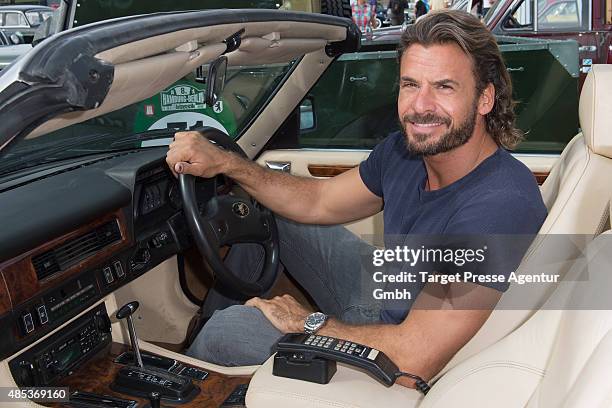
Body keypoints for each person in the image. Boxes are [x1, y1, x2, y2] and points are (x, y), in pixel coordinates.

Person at [166, 10, 547, 388]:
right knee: (269, 213)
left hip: (397, 349)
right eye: (411, 85)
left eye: (444, 87)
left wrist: (308, 323)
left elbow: (415, 358)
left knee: (226, 331)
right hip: (387, 288)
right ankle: (205, 345)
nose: (420, 106)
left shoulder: (499, 207)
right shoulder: (406, 152)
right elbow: (319, 201)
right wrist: (230, 165)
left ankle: (192, 374)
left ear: (484, 99)